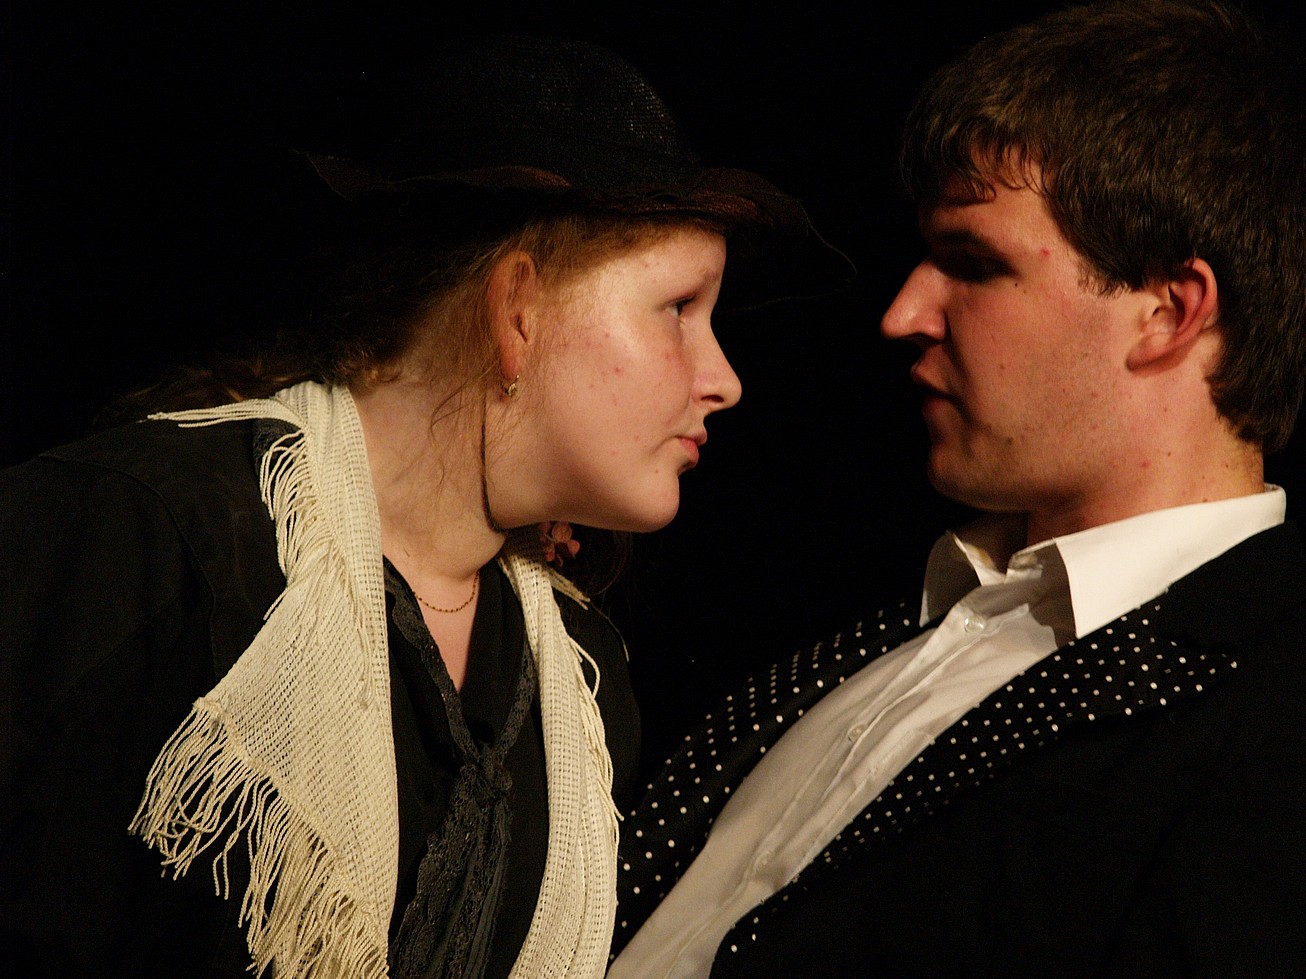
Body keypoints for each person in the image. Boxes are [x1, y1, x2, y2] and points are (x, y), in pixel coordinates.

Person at [0, 34, 850, 979]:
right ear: (518, 309)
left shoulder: (579, 683)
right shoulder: (141, 535)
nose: (723, 378)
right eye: (679, 308)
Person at [609, 1, 1306, 975]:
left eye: (974, 264)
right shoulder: (906, 613)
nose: (903, 312)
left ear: (1168, 311)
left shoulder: (1266, 709)